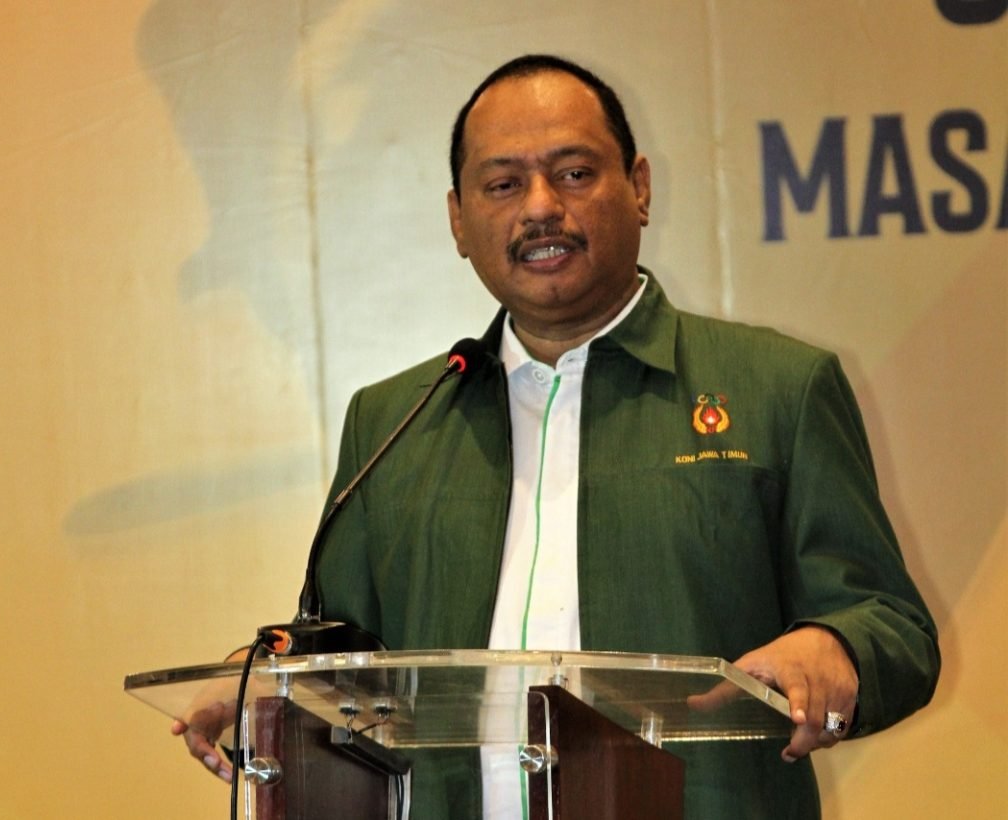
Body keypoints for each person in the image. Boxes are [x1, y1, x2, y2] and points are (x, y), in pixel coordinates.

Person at [175, 54, 939, 818]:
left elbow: (892, 628)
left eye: (573, 173)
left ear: (639, 186)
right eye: (503, 185)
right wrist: (260, 686)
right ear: (458, 219)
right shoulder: (394, 420)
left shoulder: (777, 388)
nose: (540, 207)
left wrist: (837, 651)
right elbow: (338, 657)